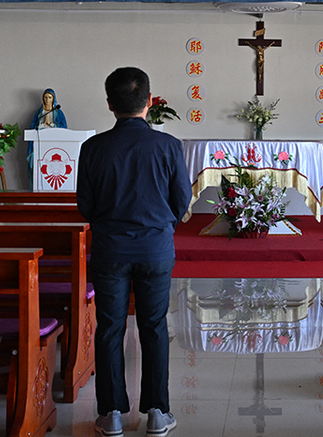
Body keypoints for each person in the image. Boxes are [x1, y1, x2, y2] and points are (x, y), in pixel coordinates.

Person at [77, 68, 191, 437]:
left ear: (110, 104)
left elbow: (85, 205)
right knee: (154, 327)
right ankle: (157, 411)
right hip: (155, 248)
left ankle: (110, 413)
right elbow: (181, 200)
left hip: (110, 247)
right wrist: (159, 223)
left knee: (109, 328)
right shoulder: (169, 146)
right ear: (150, 101)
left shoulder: (93, 148)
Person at [27, 88, 68, 172]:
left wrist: (52, 124)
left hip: (54, 141)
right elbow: (32, 126)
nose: (47, 100)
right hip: (40, 141)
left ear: (53, 99)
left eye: (49, 97)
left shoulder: (58, 112)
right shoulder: (40, 113)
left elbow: (64, 127)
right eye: (45, 97)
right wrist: (41, 125)